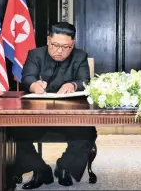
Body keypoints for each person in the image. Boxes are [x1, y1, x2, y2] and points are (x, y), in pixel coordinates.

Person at [12, 22, 97, 189]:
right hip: (38, 116)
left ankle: (64, 168)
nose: (59, 51)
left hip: (70, 116)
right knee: (14, 133)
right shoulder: (35, 54)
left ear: (72, 45)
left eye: (65, 47)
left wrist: (73, 85)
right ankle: (41, 170)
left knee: (88, 133)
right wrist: (34, 85)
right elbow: (27, 76)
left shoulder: (80, 56)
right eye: (55, 45)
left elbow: (85, 81)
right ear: (48, 40)